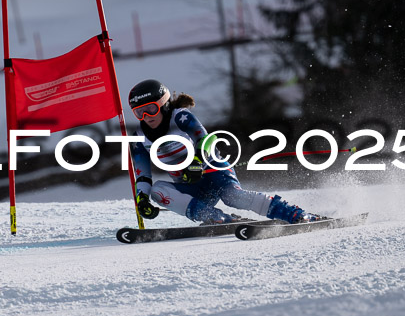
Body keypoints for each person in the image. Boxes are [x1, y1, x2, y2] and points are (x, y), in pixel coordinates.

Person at [128, 79, 324, 225]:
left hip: (214, 172)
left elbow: (206, 139)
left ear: (164, 104)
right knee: (157, 191)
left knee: (233, 198)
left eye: (151, 109)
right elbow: (143, 176)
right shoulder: (139, 139)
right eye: (139, 112)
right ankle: (216, 218)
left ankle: (294, 214)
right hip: (192, 185)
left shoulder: (180, 117)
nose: (146, 117)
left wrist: (197, 161)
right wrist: (142, 199)